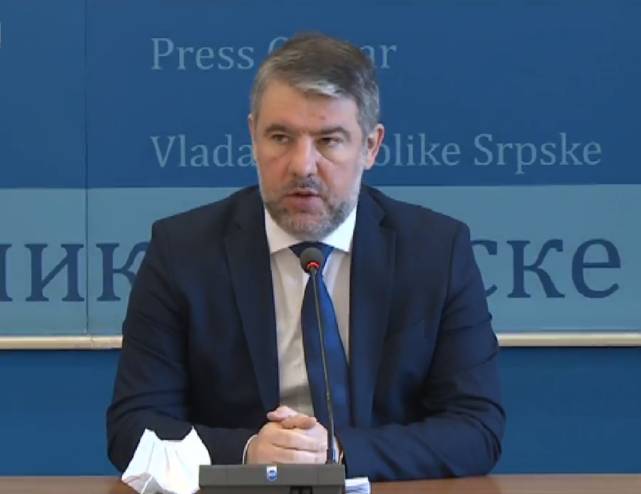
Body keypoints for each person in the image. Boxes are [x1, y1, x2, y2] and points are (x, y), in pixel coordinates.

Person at [107, 32, 505, 482]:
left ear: (370, 147)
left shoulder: (436, 251)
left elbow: (477, 429)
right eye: (280, 137)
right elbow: (133, 430)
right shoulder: (182, 251)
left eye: (329, 140)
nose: (302, 165)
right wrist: (249, 452)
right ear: (253, 137)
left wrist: (336, 452)